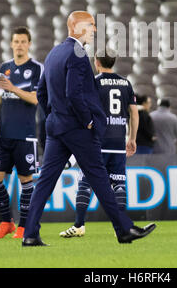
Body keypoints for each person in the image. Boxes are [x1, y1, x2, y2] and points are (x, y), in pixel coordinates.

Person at [22, 11, 156, 246]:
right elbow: (74, 93)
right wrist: (88, 121)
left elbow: (41, 93)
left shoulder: (53, 53)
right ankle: (124, 229)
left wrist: (54, 114)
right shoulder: (78, 54)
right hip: (78, 128)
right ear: (78, 27)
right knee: (100, 178)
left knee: (44, 182)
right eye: (91, 25)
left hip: (56, 127)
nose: (94, 29)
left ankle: (30, 234)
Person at [59, 48, 139, 238]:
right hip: (118, 139)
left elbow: (82, 109)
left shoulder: (94, 83)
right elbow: (134, 113)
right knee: (119, 184)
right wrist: (132, 138)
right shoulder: (126, 83)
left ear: (97, 62)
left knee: (85, 183)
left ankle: (79, 225)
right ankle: (121, 227)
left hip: (97, 140)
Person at [0, 26, 43, 239]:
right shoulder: (4, 68)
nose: (19, 45)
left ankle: (24, 226)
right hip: (3, 134)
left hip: (25, 135)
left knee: (26, 179)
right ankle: (6, 222)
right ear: (11, 44)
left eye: (23, 42)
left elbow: (36, 99)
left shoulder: (36, 68)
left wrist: (14, 88)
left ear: (29, 44)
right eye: (16, 41)